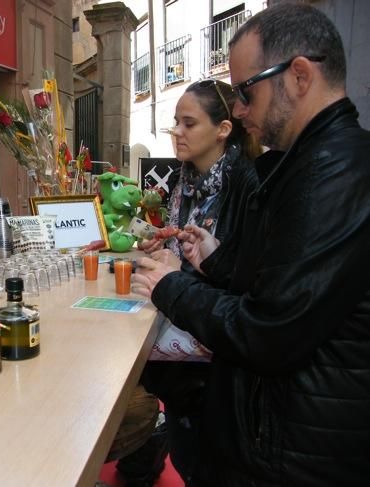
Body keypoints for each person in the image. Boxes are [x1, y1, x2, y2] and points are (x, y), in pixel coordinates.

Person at [132, 4, 370, 486]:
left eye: (246, 91)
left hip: (293, 454)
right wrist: (218, 261)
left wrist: (170, 286)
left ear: (299, 76)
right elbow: (282, 286)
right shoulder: (307, 164)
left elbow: (269, 331)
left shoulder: (329, 174)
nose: (239, 110)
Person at [116, 79, 260, 486]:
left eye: (188, 123)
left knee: (204, 456)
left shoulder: (245, 185)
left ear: (223, 129)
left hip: (216, 350)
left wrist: (187, 267)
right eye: (175, 123)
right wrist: (168, 253)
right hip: (185, 325)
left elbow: (241, 276)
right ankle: (147, 454)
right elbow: (191, 251)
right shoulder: (185, 179)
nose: (177, 132)